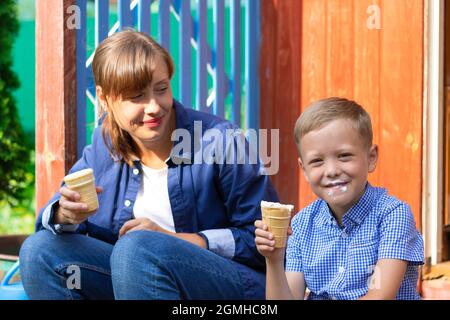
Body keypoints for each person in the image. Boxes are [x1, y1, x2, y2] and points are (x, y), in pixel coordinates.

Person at [19, 29, 278, 300]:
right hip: (137, 282)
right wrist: (65, 214)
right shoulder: (104, 146)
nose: (154, 106)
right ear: (104, 99)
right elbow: (57, 226)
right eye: (136, 96)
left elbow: (264, 238)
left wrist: (176, 240)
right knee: (40, 251)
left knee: (138, 248)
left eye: (161, 89)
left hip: (228, 288)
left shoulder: (221, 141)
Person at [255, 97, 424, 300]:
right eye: (317, 161)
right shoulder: (301, 225)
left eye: (344, 155)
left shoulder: (392, 215)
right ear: (305, 170)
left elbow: (380, 297)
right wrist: (274, 260)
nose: (332, 171)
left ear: (371, 158)